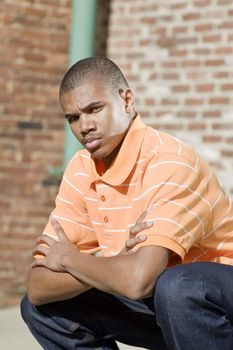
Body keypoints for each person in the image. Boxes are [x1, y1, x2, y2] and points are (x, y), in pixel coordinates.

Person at [21, 56, 233, 350]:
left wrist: (71, 259)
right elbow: (37, 287)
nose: (84, 126)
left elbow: (138, 281)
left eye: (94, 109)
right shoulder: (81, 169)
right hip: (164, 306)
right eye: (73, 117)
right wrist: (117, 259)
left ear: (127, 100)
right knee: (44, 310)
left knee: (179, 287)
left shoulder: (169, 161)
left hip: (218, 304)